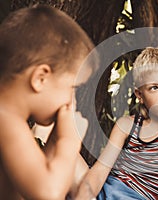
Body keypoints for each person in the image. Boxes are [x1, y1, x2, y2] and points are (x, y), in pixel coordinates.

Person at [74, 46, 158, 199]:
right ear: (140, 95)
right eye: (154, 88)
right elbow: (99, 173)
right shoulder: (126, 125)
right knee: (68, 155)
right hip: (107, 192)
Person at [0, 5, 94, 199]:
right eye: (72, 88)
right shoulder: (5, 116)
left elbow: (30, 188)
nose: (71, 100)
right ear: (40, 78)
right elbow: (48, 194)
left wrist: (55, 141)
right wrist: (69, 141)